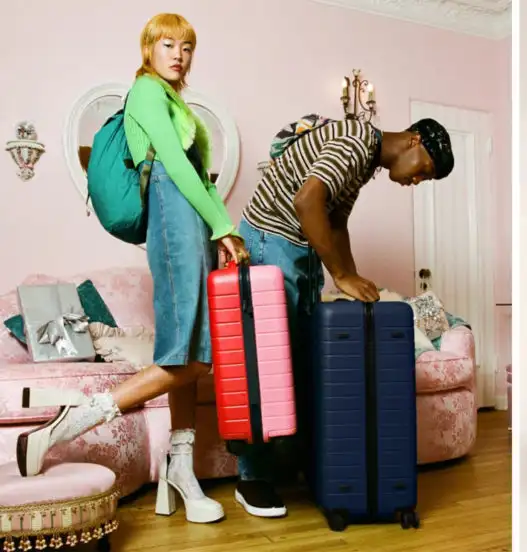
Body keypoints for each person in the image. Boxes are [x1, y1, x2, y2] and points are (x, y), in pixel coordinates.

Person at [16, 13, 248, 525]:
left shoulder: (176, 101)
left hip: (196, 223)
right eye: (168, 43)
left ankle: (180, 471)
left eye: (187, 47)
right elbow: (177, 166)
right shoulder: (144, 91)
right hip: (174, 216)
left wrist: (224, 229)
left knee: (194, 350)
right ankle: (66, 426)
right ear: (148, 48)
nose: (179, 54)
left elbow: (204, 180)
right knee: (189, 355)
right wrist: (222, 227)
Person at [230, 116, 454, 517]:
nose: (416, 181)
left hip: (298, 247)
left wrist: (354, 280)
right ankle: (252, 480)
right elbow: (306, 200)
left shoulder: (365, 158)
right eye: (423, 171)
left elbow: (335, 223)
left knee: (301, 361)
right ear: (413, 140)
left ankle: (291, 464)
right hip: (271, 238)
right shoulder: (354, 142)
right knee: (268, 367)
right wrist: (342, 275)